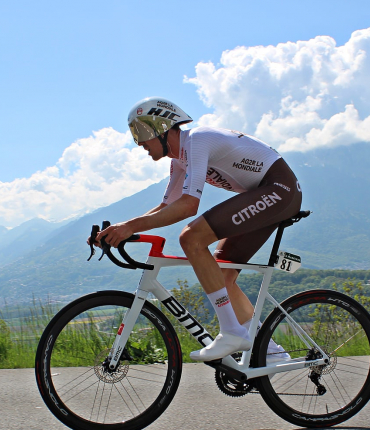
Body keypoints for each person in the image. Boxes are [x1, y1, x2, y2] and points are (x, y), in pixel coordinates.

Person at [96, 97, 302, 361]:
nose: (140, 144)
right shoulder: (179, 160)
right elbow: (166, 206)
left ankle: (231, 332)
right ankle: (269, 350)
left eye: (141, 134)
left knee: (192, 237)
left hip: (279, 190)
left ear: (159, 127)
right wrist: (119, 232)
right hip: (267, 194)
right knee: (222, 272)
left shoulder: (197, 141)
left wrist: (129, 227)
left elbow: (188, 206)